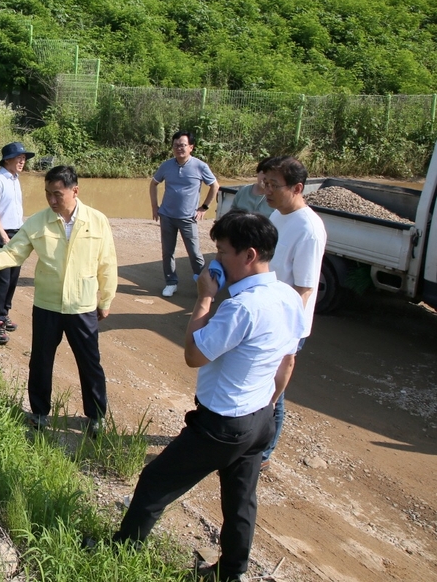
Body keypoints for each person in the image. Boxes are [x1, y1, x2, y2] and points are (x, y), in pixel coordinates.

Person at [113, 209, 305, 582]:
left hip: (222, 424)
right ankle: (231, 573)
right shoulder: (288, 297)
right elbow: (288, 363)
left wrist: (203, 300)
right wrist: (268, 405)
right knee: (240, 500)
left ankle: (120, 551)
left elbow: (193, 355)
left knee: (155, 481)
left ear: (249, 255)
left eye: (222, 252)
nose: (217, 260)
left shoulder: (240, 307)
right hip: (260, 418)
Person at [0, 165, 117, 431]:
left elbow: (107, 264)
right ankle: (39, 413)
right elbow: (12, 253)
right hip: (47, 305)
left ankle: (96, 416)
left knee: (90, 362)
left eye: (58, 194)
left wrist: (105, 301)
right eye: (48, 194)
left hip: (81, 305)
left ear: (75, 191)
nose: (52, 200)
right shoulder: (37, 222)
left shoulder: (97, 221)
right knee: (41, 360)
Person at [260, 156, 327, 471]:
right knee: (260, 382)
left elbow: (304, 289)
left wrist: (286, 336)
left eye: (274, 185)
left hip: (286, 324)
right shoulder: (278, 214)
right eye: (266, 183)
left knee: (275, 389)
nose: (266, 190)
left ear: (298, 188)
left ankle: (263, 452)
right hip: (267, 315)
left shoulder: (309, 229)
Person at [150, 131, 220, 297]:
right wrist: (155, 207)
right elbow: (153, 184)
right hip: (167, 216)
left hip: (188, 218)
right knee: (168, 252)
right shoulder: (166, 165)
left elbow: (215, 186)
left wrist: (204, 207)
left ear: (191, 147)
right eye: (175, 145)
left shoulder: (200, 166)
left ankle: (205, 285)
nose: (178, 148)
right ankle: (171, 282)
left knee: (195, 254)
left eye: (182, 145)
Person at [0, 142, 34, 345]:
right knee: (2, 280)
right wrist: (4, 236)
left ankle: (4, 314)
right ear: (7, 159)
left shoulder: (15, 179)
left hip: (17, 233)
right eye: (19, 157)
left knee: (13, 278)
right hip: (1, 234)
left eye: (24, 158)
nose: (22, 161)